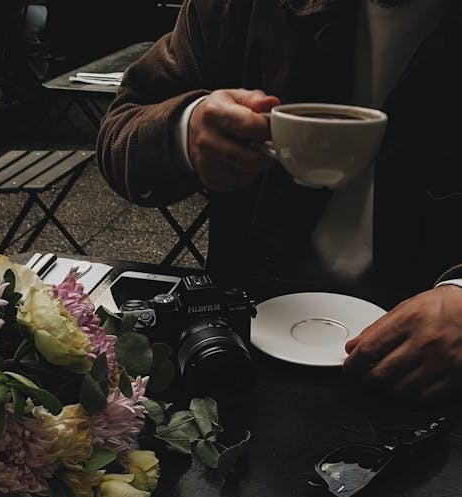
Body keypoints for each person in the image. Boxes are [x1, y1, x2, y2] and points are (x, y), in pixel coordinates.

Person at [97, 0, 462, 403]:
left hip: (430, 377)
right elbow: (120, 134)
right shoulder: (235, 10)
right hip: (236, 352)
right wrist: (186, 129)